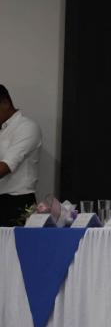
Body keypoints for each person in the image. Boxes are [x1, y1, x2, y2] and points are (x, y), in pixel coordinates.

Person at [0, 85, 41, 227]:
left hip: (17, 204)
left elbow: (5, 167)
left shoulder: (26, 127)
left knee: (16, 248)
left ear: (5, 103)